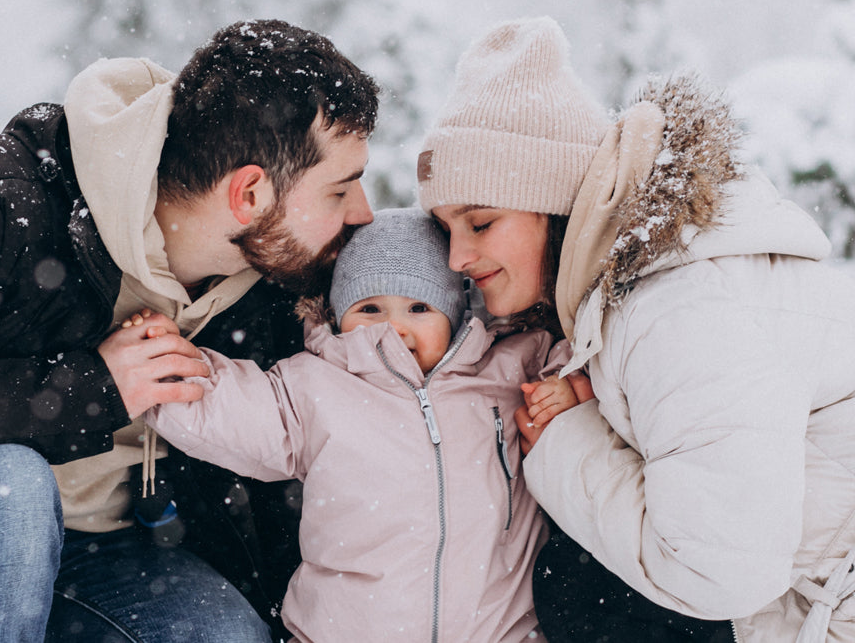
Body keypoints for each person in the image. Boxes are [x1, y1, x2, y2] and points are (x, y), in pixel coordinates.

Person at [0, 18, 379, 642]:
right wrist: (95, 388)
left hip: (108, 559)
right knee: (7, 490)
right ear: (249, 193)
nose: (364, 214)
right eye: (340, 190)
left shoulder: (282, 284)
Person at [418, 16, 855, 642]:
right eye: (446, 231)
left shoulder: (676, 305)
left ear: (553, 206)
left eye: (481, 223)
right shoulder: (637, 290)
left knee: (579, 589)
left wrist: (563, 440)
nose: (456, 259)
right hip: (817, 603)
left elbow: (719, 573)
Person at [142, 207, 592, 642]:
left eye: (419, 307)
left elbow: (580, 356)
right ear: (338, 317)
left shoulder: (509, 369)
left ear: (456, 315)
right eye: (371, 309)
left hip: (500, 630)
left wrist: (566, 391)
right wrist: (162, 366)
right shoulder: (315, 386)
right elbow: (235, 410)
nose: (394, 328)